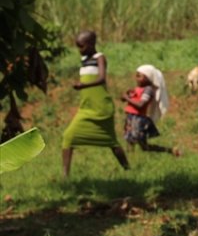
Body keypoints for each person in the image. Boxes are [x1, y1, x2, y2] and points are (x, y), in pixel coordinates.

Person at [62, 30, 129, 177]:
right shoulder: (84, 60)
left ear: (91, 44)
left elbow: (101, 79)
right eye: (77, 46)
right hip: (87, 107)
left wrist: (83, 86)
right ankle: (65, 177)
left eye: (82, 46)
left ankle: (127, 169)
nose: (79, 50)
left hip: (101, 107)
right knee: (68, 137)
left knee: (112, 141)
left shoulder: (100, 57)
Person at [122, 65, 180, 156]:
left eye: (139, 76)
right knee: (132, 142)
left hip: (138, 119)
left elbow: (141, 105)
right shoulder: (138, 89)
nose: (136, 78)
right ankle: (130, 161)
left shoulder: (148, 90)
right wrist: (127, 95)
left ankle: (170, 150)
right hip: (131, 117)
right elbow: (125, 99)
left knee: (140, 145)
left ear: (147, 78)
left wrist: (127, 98)